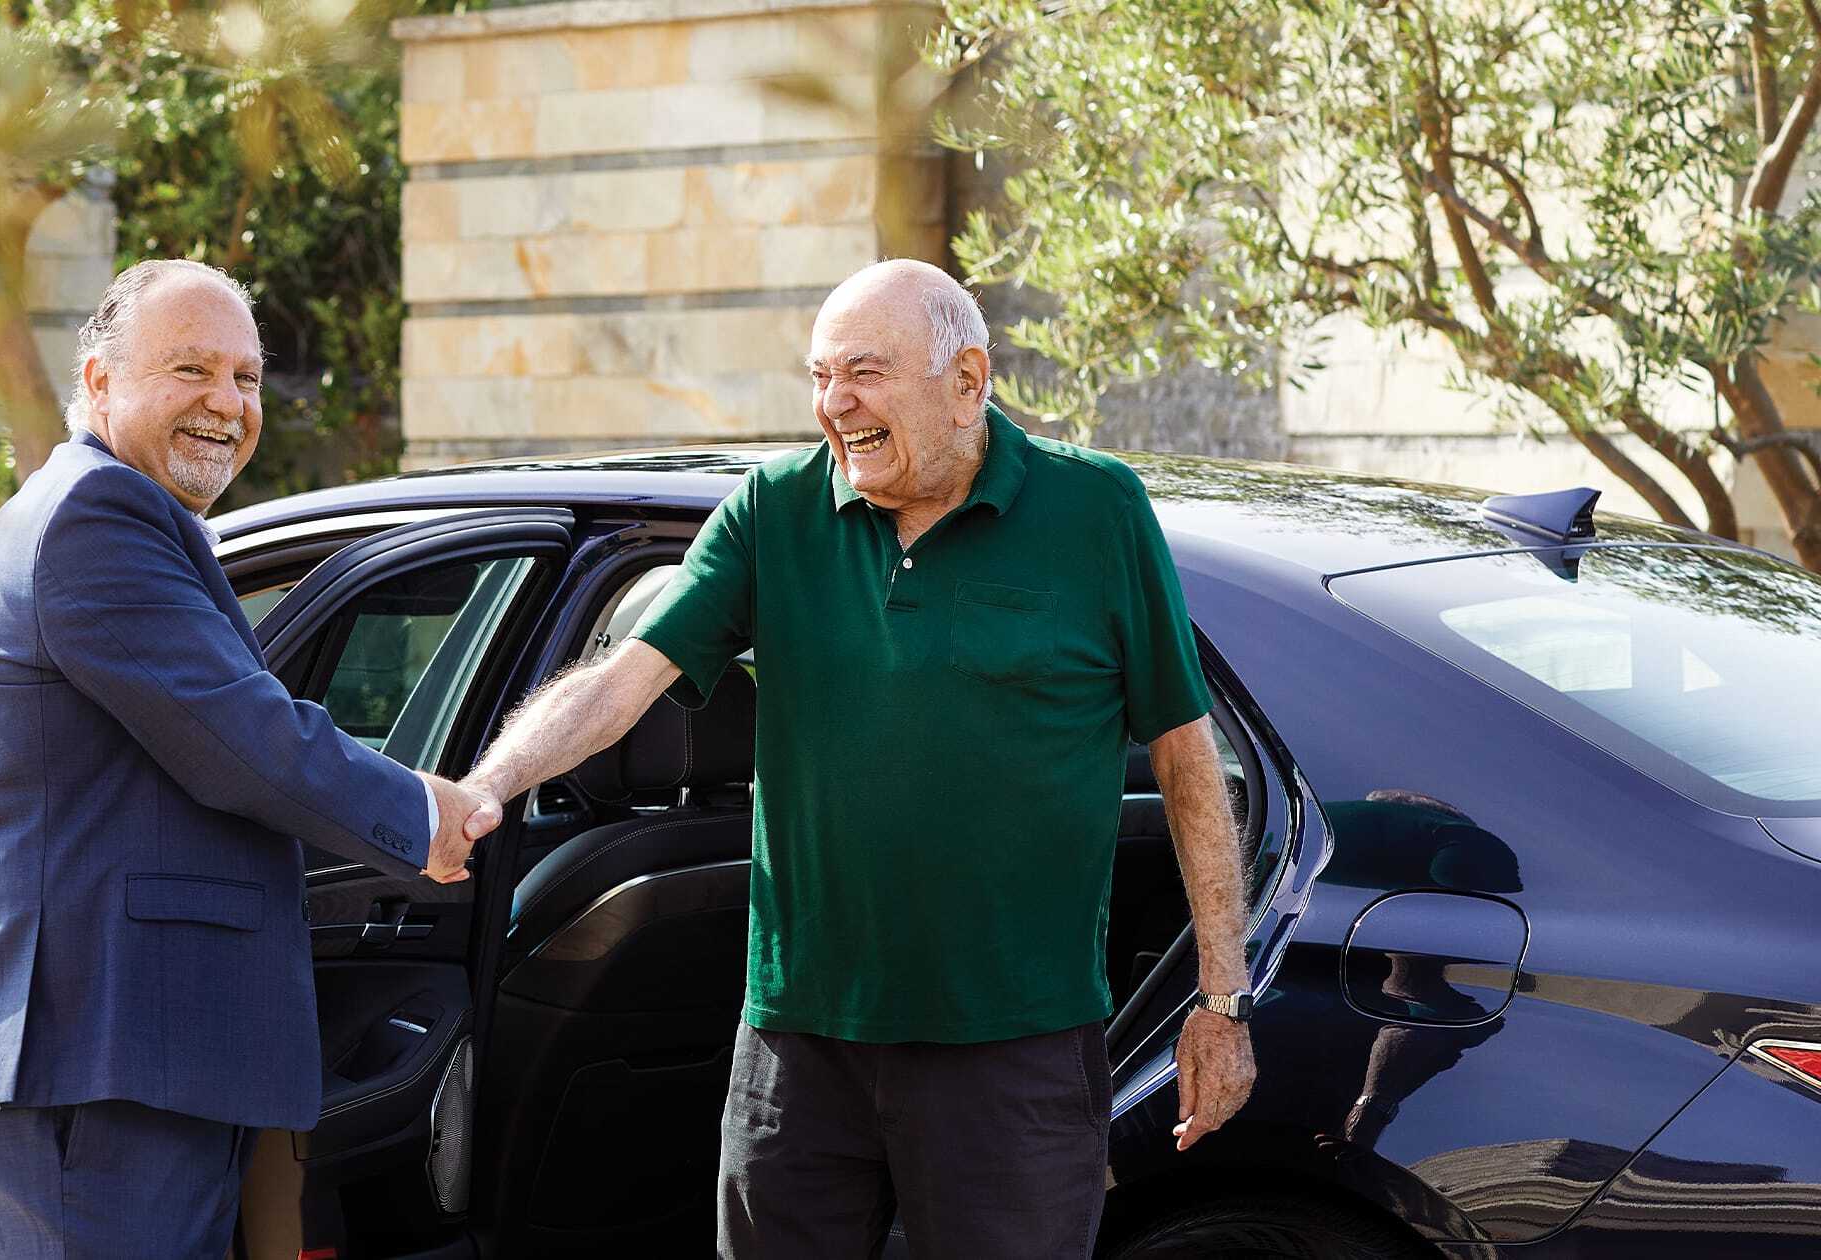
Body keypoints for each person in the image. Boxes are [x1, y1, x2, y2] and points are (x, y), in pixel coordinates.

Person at [454, 259, 1260, 1258]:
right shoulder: (775, 512)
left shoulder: (1095, 513)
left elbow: (1188, 762)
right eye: (821, 376)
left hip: (1013, 1052)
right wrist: (489, 784)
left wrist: (1221, 1000)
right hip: (799, 1053)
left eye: (866, 374)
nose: (836, 405)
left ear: (968, 381)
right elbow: (623, 681)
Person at [0, 259, 494, 1258]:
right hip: (92, 1066)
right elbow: (242, 738)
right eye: (192, 370)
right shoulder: (96, 517)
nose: (227, 404)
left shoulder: (112, 513)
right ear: (98, 382)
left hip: (133, 1064)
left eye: (248, 378)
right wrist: (420, 812)